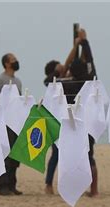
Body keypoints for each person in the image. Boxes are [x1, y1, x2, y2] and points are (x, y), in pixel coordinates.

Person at [43, 28, 99, 197]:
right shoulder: (89, 81)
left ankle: (49, 185)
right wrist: (84, 43)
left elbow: (64, 70)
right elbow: (88, 62)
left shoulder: (62, 83)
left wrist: (76, 46)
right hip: (84, 123)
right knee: (88, 156)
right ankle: (94, 190)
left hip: (66, 123)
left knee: (58, 152)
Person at [0, 53, 23, 196]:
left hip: (16, 122)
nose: (16, 61)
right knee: (5, 155)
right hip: (4, 122)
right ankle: (2, 185)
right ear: (6, 63)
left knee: (15, 156)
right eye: (13, 60)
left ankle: (12, 184)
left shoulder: (18, 81)